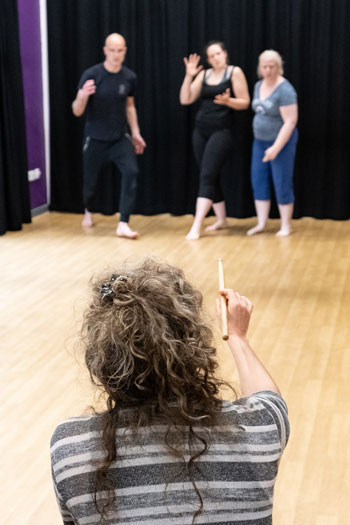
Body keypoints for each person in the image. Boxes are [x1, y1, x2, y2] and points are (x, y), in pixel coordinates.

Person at [51, 257, 289, 524]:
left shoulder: (70, 447)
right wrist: (237, 336)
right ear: (194, 345)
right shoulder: (261, 428)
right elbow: (270, 399)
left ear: (99, 358)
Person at [72, 33, 146, 239]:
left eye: (120, 50)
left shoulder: (129, 77)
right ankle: (88, 210)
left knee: (132, 172)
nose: (116, 54)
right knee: (90, 183)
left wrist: (136, 133)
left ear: (125, 51)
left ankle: (123, 223)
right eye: (112, 50)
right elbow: (77, 111)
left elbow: (130, 106)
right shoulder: (92, 74)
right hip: (94, 138)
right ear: (105, 50)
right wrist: (82, 96)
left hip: (119, 137)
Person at [180, 41, 250, 240]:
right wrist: (189, 75)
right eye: (211, 56)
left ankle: (197, 225)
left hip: (222, 132)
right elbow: (185, 99)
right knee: (210, 175)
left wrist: (229, 101)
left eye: (218, 53)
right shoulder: (203, 75)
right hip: (201, 131)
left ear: (225, 54)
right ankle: (221, 220)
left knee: (207, 175)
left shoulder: (234, 72)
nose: (215, 58)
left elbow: (245, 102)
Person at [248, 50, 298, 237]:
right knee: (258, 180)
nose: (268, 70)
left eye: (272, 66)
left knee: (282, 181)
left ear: (278, 67)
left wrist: (276, 148)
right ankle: (262, 222)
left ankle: (286, 225)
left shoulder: (285, 90)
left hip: (282, 143)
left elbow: (290, 122)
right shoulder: (258, 85)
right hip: (259, 142)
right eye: (265, 66)